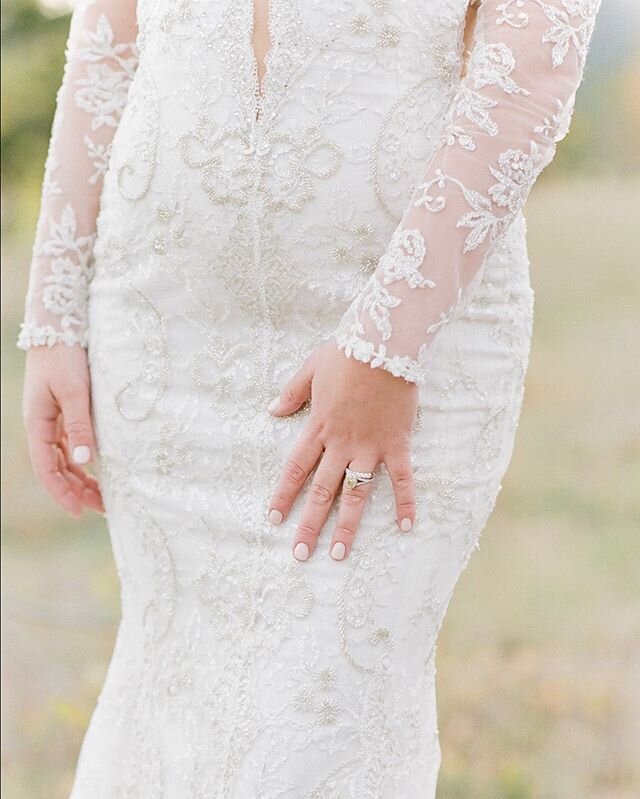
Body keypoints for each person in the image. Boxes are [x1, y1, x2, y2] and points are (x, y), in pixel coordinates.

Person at [18, 0, 601, 795]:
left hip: (400, 333)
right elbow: (107, 35)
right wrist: (53, 310)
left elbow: (535, 56)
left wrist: (386, 344)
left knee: (327, 734)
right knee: (165, 711)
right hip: (162, 341)